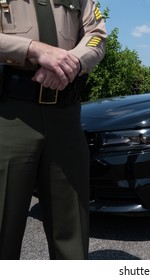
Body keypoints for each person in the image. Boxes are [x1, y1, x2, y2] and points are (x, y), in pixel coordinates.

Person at [0, 0, 106, 259]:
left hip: (66, 117)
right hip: (10, 115)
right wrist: (34, 49)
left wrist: (71, 63)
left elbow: (96, 36)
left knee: (71, 231)